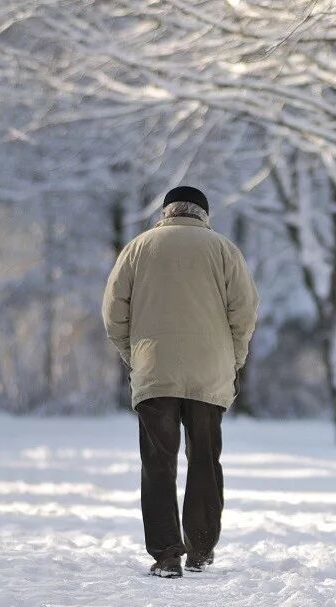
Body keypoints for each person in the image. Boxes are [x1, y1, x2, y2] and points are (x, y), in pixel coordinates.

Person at [102, 186, 259, 578]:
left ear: (166, 212)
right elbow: (244, 312)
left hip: (154, 371)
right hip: (210, 372)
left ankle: (167, 554)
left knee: (157, 463)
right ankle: (201, 549)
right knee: (205, 459)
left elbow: (113, 313)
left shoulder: (138, 248)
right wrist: (233, 359)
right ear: (203, 214)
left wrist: (134, 356)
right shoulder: (224, 250)